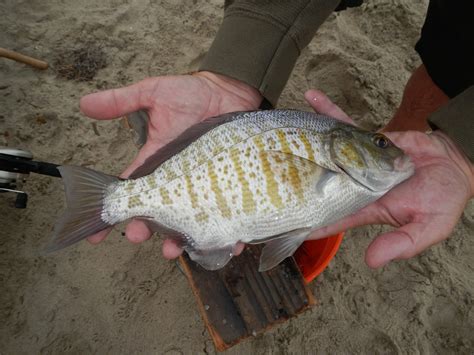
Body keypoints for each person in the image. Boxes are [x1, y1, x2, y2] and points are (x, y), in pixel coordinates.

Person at [79, 0, 473, 268]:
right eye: (379, 143)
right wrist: (241, 60)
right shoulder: (337, 158)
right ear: (343, 151)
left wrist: (463, 149)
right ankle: (117, 200)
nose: (387, 148)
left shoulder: (339, 160)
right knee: (450, 51)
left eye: (380, 142)